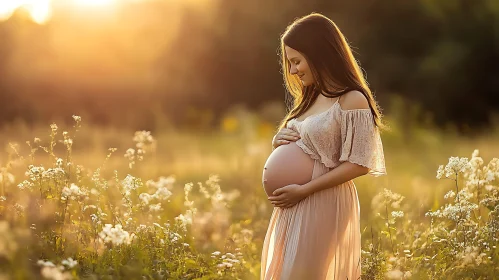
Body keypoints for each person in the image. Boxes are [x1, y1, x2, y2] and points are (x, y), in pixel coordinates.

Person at [261, 12, 387, 280]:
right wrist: (278, 141)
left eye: (296, 61)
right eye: (290, 63)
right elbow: (306, 144)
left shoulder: (352, 100)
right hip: (293, 202)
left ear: (319, 55)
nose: (293, 71)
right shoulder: (311, 97)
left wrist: (304, 190)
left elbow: (359, 164)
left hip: (321, 199)